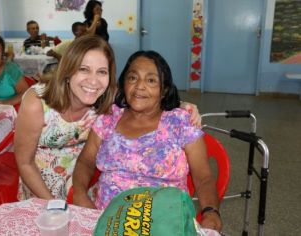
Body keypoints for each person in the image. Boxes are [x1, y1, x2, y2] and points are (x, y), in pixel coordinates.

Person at [14, 35, 201, 201]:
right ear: (68, 70)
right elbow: (25, 163)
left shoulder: (104, 94)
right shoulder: (37, 102)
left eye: (102, 72)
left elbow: (145, 95)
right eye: (84, 69)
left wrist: (183, 106)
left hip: (85, 179)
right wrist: (53, 205)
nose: (93, 81)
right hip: (42, 187)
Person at [72, 50, 222, 232]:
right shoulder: (108, 118)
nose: (140, 87)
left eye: (151, 80)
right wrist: (80, 194)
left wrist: (210, 211)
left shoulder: (180, 123)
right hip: (107, 220)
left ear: (164, 89)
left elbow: (203, 177)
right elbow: (86, 161)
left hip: (164, 222)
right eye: (133, 78)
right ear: (123, 84)